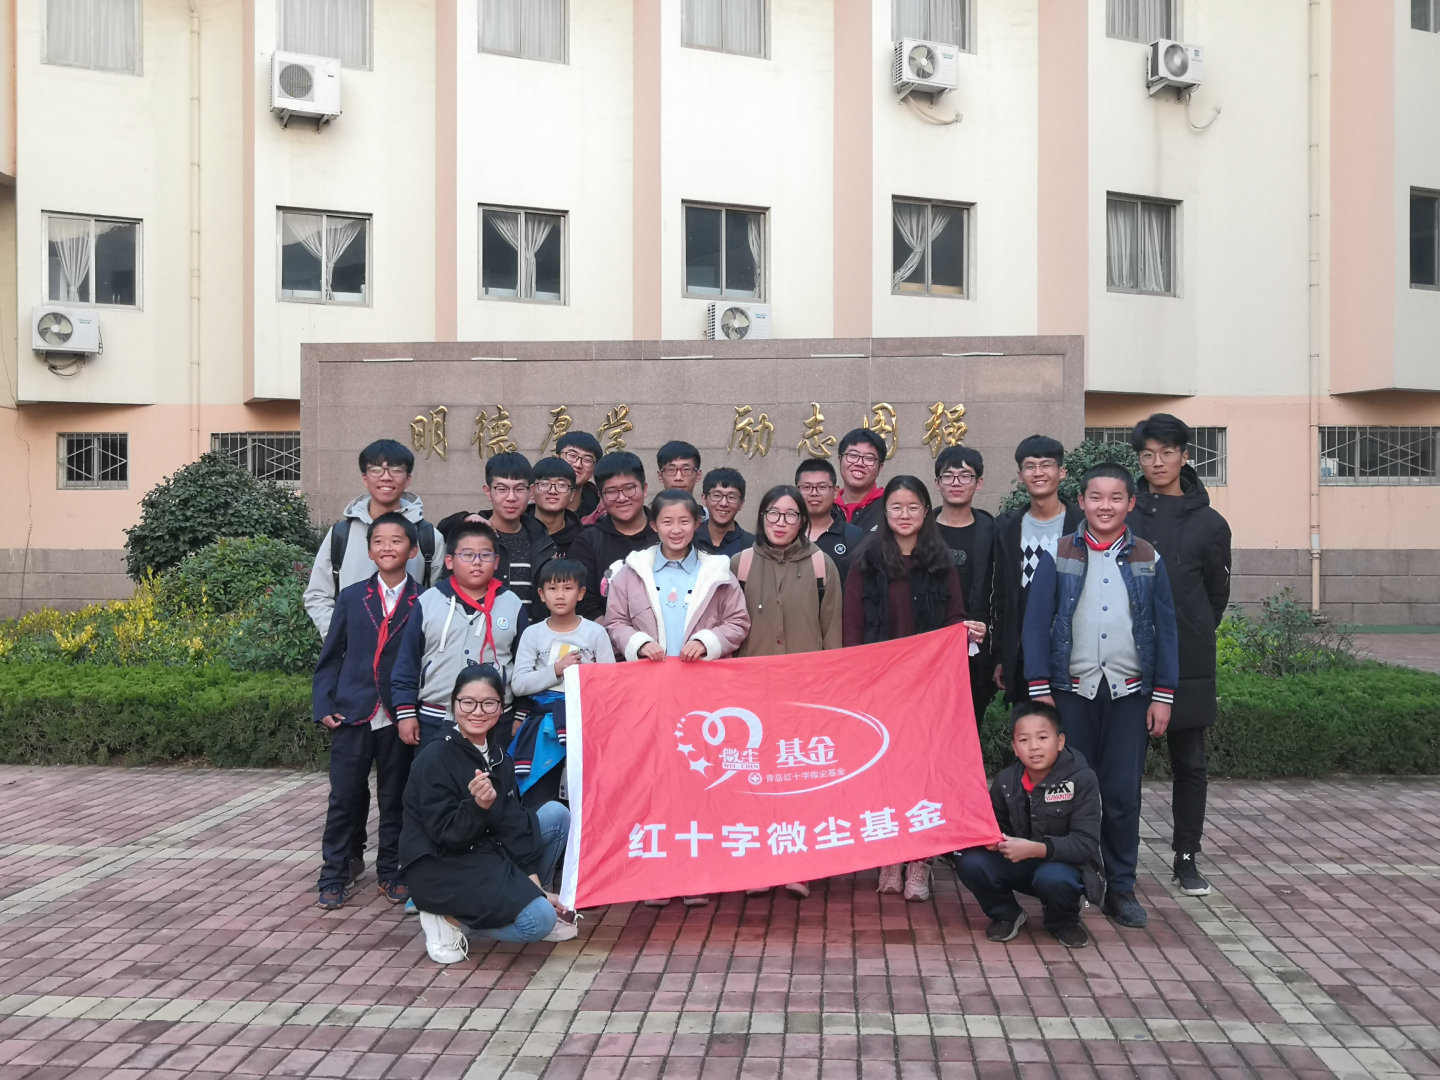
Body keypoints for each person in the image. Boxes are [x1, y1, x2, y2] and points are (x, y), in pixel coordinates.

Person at [1022, 464, 1179, 930]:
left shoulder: (1148, 557)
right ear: (1081, 502)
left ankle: (1121, 887)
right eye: (1095, 497)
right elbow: (1036, 624)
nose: (1104, 506)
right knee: (1066, 792)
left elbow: (1166, 628)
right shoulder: (1058, 553)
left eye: (1115, 498)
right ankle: (1071, 883)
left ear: (1130, 503)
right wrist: (1039, 687)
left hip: (1129, 694)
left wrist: (1164, 695)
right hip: (1071, 693)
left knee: (1122, 793)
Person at [604, 489, 751, 908]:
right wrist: (638, 643)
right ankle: (656, 875)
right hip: (647, 692)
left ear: (697, 523)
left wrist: (707, 642)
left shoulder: (717, 571)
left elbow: (738, 622)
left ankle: (695, 873)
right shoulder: (630, 572)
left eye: (684, 521)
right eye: (667, 521)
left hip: (701, 693)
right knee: (652, 781)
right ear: (654, 525)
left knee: (697, 780)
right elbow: (614, 622)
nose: (676, 529)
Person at [842, 476, 985, 902]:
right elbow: (852, 628)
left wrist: (968, 631)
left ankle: (921, 861)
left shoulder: (941, 562)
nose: (904, 515)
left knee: (925, 773)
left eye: (913, 507)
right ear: (884, 512)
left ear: (926, 511)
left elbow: (953, 617)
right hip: (880, 686)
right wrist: (857, 680)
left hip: (928, 688)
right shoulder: (865, 561)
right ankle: (891, 857)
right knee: (886, 770)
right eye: (896, 507)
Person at [402, 666, 576, 964]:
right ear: (453, 703)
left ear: (501, 706)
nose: (477, 712)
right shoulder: (435, 757)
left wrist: (534, 889)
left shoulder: (498, 757)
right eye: (468, 702)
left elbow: (514, 826)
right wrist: (478, 805)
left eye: (488, 703)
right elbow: (448, 835)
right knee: (538, 922)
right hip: (443, 863)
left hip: (484, 850)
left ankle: (532, 899)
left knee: (555, 816)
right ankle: (447, 917)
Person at [1127, 414, 1232, 897]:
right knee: (1121, 766)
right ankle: (1114, 855)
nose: (1157, 462)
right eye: (1148, 454)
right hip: (1127, 656)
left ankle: (1186, 856)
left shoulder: (1210, 524)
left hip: (1188, 658)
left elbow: (1216, 595)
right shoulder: (1124, 514)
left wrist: (1190, 627)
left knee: (1189, 764)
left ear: (1185, 456)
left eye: (1167, 452)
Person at [732, 484, 843, 901]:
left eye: (790, 515)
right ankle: (760, 862)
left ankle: (800, 865)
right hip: (751, 694)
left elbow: (832, 631)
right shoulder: (740, 564)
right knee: (757, 778)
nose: (781, 523)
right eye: (773, 514)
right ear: (761, 517)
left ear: (803, 521)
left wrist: (828, 689)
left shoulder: (821, 565)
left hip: (805, 693)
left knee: (801, 777)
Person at [311, 513, 422, 910]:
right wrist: (324, 703)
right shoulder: (352, 596)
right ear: (369, 551)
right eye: (379, 541)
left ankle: (391, 871)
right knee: (344, 798)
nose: (387, 547)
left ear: (413, 550)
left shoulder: (426, 600)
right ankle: (334, 873)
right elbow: (332, 654)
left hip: (399, 716)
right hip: (352, 711)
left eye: (396, 541)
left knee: (395, 799)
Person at [950, 702, 1104, 950]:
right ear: (1014, 747)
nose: (1034, 746)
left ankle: (1063, 921)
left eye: (1042, 737)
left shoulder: (1082, 779)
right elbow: (996, 826)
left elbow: (1085, 845)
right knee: (969, 859)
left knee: (1053, 878)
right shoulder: (1005, 781)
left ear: (1060, 741)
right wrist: (992, 840)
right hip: (1021, 860)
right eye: (1024, 740)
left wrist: (1035, 849)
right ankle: (1006, 914)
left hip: (1064, 866)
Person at [391, 520, 530, 749]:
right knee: (435, 772)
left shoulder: (511, 604)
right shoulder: (428, 602)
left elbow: (524, 664)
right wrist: (406, 712)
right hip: (435, 718)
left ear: (496, 562)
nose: (477, 562)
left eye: (485, 555)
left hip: (496, 720)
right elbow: (408, 661)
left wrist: (521, 712)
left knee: (493, 772)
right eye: (467, 555)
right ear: (449, 561)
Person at [304, 439, 445, 639]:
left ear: (408, 479)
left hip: (408, 650)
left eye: (396, 470)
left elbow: (438, 598)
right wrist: (340, 637)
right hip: (352, 650)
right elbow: (317, 595)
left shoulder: (428, 537)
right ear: (365, 478)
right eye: (376, 470)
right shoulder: (341, 534)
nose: (386, 477)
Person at [509, 559, 616, 807]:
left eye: (568, 588)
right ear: (541, 594)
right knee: (541, 795)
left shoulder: (595, 633)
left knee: (583, 795)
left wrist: (584, 677)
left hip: (585, 723)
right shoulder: (533, 633)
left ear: (580, 593)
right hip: (543, 726)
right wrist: (556, 670)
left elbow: (610, 683)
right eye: (552, 588)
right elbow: (519, 684)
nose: (560, 595)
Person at [992, 436, 1084, 708]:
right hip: (1023, 654)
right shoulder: (1007, 527)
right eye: (1030, 466)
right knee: (1030, 727)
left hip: (1074, 653)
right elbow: (1001, 597)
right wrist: (1002, 655)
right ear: (1020, 476)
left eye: (1046, 465)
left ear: (1062, 472)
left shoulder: (1083, 524)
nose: (1038, 472)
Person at [439, 452, 555, 620]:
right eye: (502, 489)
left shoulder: (541, 539)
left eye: (519, 489)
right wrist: (466, 518)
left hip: (531, 635)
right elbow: (441, 528)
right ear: (488, 492)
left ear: (531, 492)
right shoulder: (472, 535)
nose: (511, 497)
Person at [932, 446, 997, 729]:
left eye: (965, 476)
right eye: (948, 476)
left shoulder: (992, 531)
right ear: (937, 483)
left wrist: (992, 637)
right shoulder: (921, 530)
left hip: (976, 649)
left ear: (978, 483)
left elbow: (1000, 592)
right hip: (929, 648)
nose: (956, 483)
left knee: (969, 727)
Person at [570, 452, 658, 620]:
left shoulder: (666, 535)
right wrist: (615, 633)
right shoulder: (588, 541)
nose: (622, 498)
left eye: (629, 488)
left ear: (645, 489)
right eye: (611, 491)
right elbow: (584, 602)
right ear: (600, 497)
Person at [797, 458, 864, 587]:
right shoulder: (786, 533)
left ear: (835, 492)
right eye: (806, 487)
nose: (814, 493)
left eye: (822, 487)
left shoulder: (854, 537)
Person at [527, 456, 585, 558]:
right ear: (532, 491)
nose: (553, 491)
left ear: (572, 494)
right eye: (545, 484)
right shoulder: (515, 531)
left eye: (561, 485)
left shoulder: (582, 541)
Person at [834, 429, 889, 533]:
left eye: (869, 458)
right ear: (840, 460)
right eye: (853, 455)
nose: (859, 463)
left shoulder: (889, 506)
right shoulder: (826, 506)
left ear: (880, 468)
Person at [695, 467, 753, 557]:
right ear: (704, 499)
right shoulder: (689, 539)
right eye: (717, 495)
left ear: (741, 503)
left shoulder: (752, 546)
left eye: (731, 497)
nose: (723, 503)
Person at [556, 431, 603, 520]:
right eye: (572, 455)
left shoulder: (601, 514)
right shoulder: (532, 507)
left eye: (587, 460)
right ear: (556, 458)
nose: (578, 464)